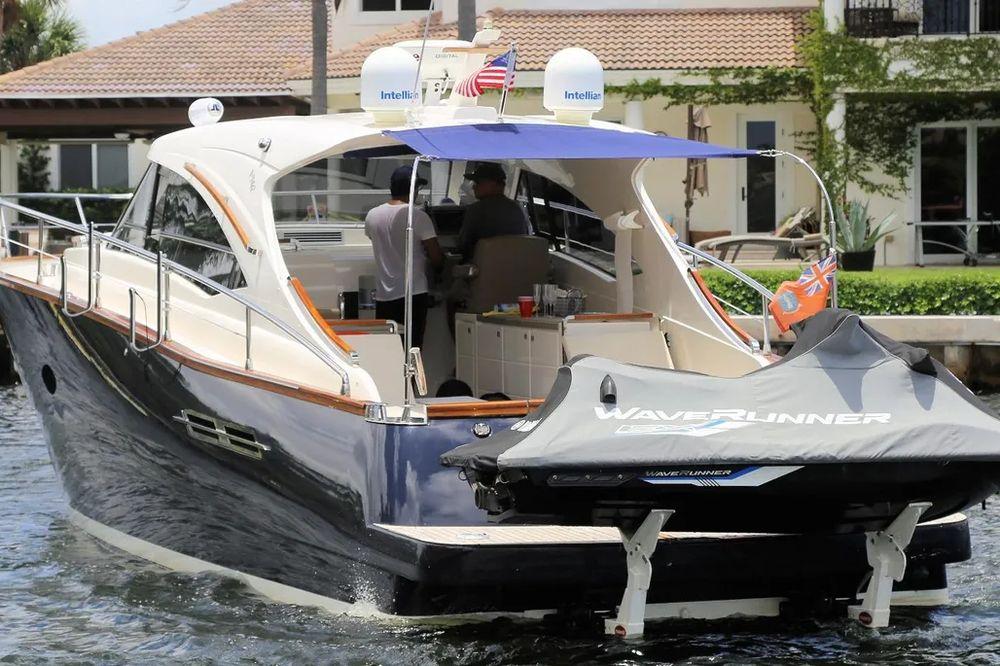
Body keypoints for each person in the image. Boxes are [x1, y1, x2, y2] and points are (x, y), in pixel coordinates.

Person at [364, 166, 443, 349]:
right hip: (413, 294)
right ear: (413, 189)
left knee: (389, 350)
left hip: (384, 296)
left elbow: (380, 243)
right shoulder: (418, 217)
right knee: (413, 348)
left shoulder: (372, 216)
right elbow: (436, 257)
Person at [456, 162, 530, 261]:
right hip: (515, 266)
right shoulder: (517, 208)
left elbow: (463, 246)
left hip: (483, 267)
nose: (474, 187)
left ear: (493, 184)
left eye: (478, 183)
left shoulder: (476, 210)